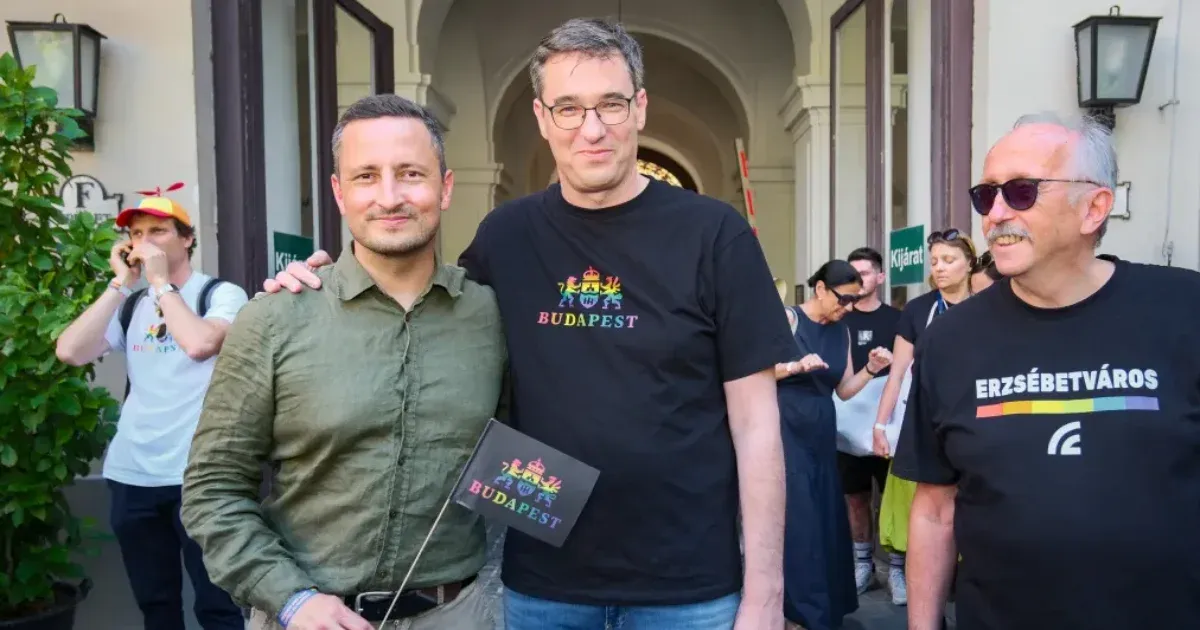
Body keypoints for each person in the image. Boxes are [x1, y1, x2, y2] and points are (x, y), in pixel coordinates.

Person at [265, 17, 795, 630]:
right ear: (542, 118)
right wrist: (321, 290)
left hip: (690, 589)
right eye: (568, 108)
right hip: (544, 586)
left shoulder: (714, 234)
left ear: (640, 108)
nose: (592, 128)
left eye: (611, 104)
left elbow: (757, 426)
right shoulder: (506, 237)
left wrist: (766, 595)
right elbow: (421, 313)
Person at [180, 95, 505, 630]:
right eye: (366, 176)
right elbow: (213, 488)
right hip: (305, 616)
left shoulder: (490, 315)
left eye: (411, 174)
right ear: (339, 192)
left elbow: (521, 452)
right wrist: (291, 599)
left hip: (456, 615)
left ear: (445, 188)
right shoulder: (274, 319)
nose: (390, 197)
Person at [894, 111, 1200, 630]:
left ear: (1093, 208)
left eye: (1021, 192)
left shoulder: (1184, 310)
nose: (995, 214)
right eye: (985, 195)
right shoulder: (949, 340)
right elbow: (934, 510)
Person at [54, 188, 248, 630]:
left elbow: (200, 344)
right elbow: (69, 351)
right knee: (156, 607)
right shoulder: (132, 304)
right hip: (133, 475)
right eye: (137, 233)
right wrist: (120, 284)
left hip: (199, 477)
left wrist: (161, 284)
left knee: (217, 606)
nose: (144, 242)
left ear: (187, 239)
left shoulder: (219, 294)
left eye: (158, 231)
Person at [775, 260, 893, 630]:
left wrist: (871, 369)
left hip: (822, 432)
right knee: (800, 521)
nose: (848, 307)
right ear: (821, 289)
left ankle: (826, 607)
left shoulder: (841, 331)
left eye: (855, 300)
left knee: (826, 518)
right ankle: (796, 612)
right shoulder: (789, 319)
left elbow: (843, 390)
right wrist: (794, 367)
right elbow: (756, 371)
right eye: (843, 299)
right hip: (786, 429)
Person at [871, 227, 978, 607]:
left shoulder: (989, 306)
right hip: (923, 417)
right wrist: (880, 424)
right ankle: (904, 571)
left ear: (970, 263)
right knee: (917, 499)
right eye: (934, 261)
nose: (940, 268)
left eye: (949, 260)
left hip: (976, 418)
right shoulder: (918, 310)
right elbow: (897, 373)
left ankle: (967, 579)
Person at [837, 247, 902, 595]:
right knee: (855, 497)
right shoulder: (839, 319)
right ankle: (862, 563)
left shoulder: (898, 320)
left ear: (880, 276)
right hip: (847, 425)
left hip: (889, 424)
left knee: (894, 498)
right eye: (853, 273)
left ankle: (898, 568)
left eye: (865, 272)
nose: (858, 279)